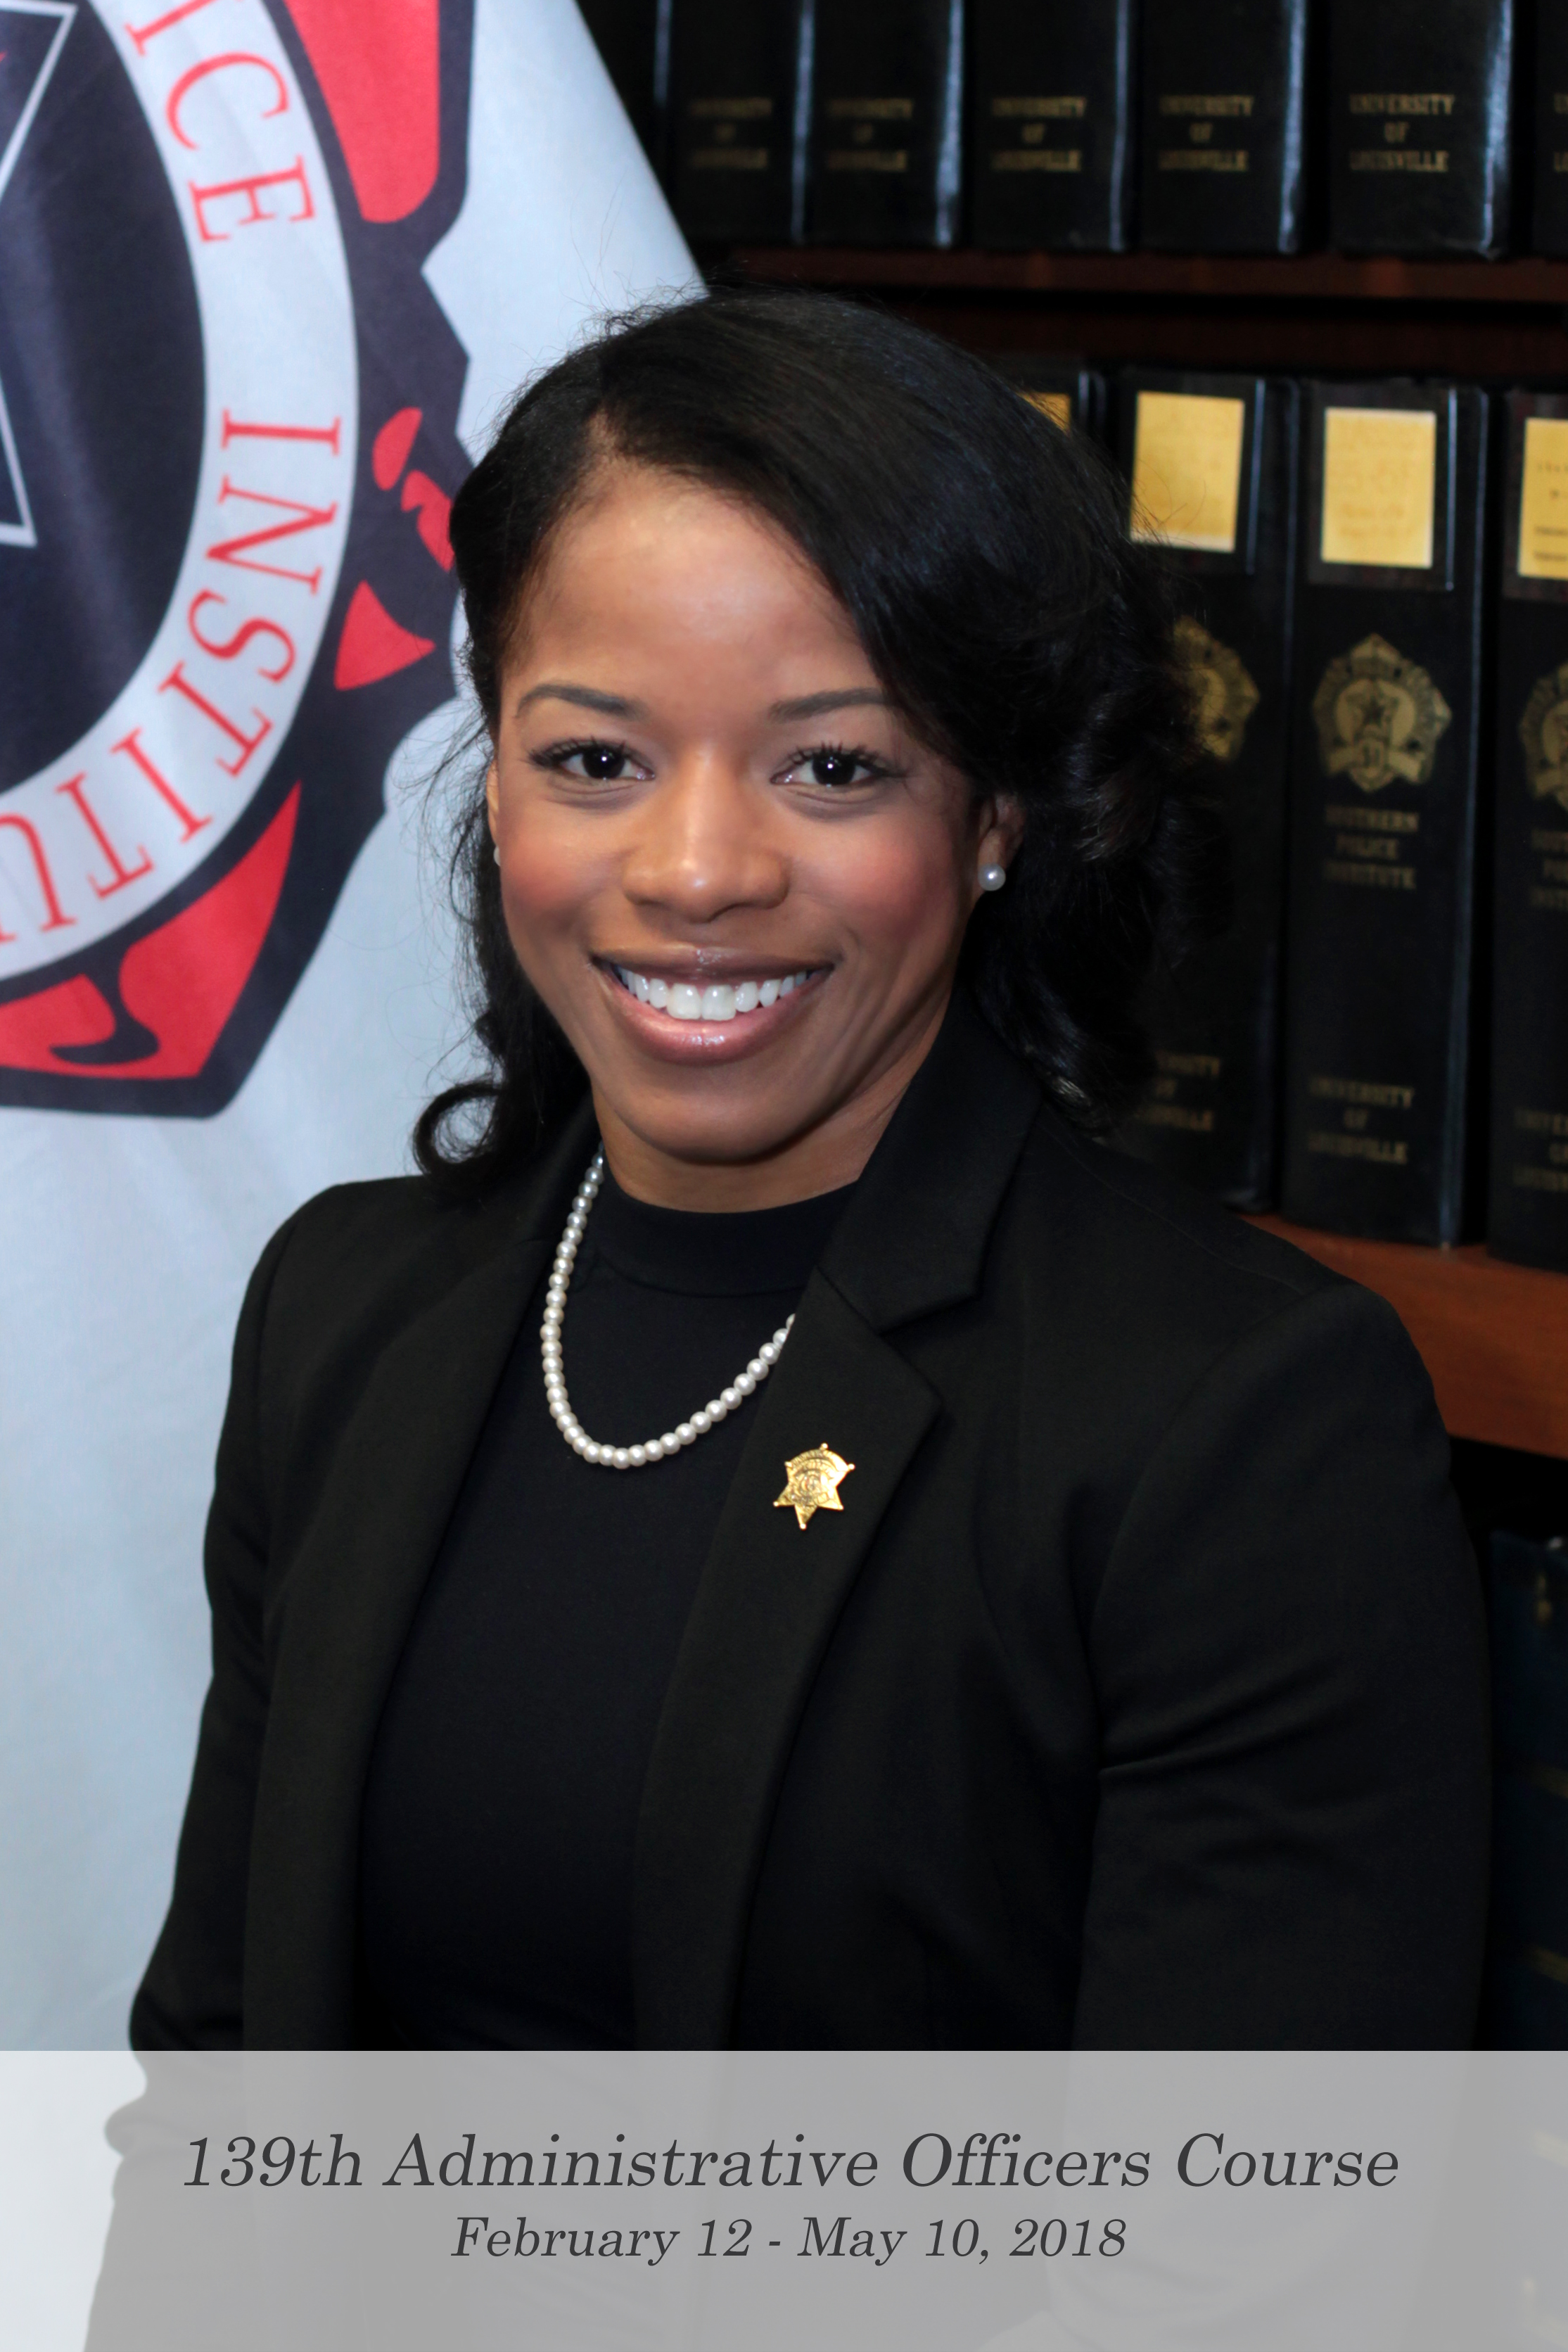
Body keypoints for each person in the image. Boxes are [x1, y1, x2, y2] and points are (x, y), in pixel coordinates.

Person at [131, 286, 1487, 2052]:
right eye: (593, 758)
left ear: (995, 815)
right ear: (496, 782)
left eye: (832, 766)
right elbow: (216, 2077)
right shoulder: (340, 1309)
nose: (697, 870)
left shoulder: (1237, 1421)